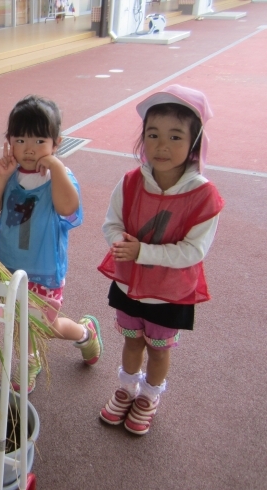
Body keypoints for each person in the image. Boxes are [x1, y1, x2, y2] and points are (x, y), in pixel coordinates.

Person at [98, 85, 224, 435]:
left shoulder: (203, 195)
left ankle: (149, 396)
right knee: (131, 339)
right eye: (152, 135)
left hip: (169, 292)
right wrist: (120, 242)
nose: (162, 146)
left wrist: (143, 252)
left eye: (174, 136)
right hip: (129, 284)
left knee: (158, 348)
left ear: (194, 142)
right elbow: (112, 224)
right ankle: (126, 389)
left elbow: (194, 251)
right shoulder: (130, 182)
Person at [0, 95, 102, 394]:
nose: (30, 148)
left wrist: (57, 167)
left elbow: (67, 208)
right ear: (9, 142)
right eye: (21, 139)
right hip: (8, 266)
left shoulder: (58, 177)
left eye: (39, 140)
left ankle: (85, 334)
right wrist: (2, 174)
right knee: (19, 321)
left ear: (56, 143)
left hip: (44, 271)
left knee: (44, 325)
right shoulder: (10, 176)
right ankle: (30, 357)